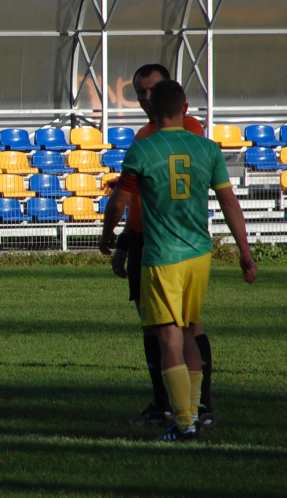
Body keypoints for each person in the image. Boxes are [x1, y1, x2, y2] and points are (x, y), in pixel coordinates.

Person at [99, 80, 256, 441]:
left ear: (152, 111)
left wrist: (109, 237)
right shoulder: (208, 149)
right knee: (189, 332)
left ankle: (183, 422)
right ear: (185, 108)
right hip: (199, 254)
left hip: (162, 255)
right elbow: (230, 203)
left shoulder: (143, 149)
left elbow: (120, 202)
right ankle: (197, 413)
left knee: (168, 337)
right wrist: (245, 254)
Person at [110, 64, 213, 427]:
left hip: (171, 244)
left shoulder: (188, 130)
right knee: (154, 327)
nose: (144, 98)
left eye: (151, 90)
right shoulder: (143, 137)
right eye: (139, 92)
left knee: (185, 328)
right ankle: (165, 402)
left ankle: (197, 408)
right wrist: (125, 241)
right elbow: (135, 197)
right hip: (144, 238)